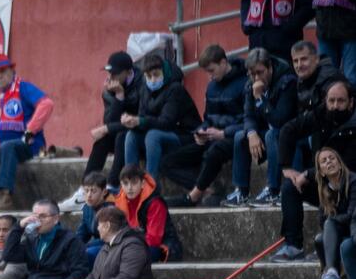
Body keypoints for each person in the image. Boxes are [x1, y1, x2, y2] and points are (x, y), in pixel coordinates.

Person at [273, 79, 356, 262]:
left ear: (351, 102)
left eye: (341, 101)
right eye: (331, 101)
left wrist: (308, 174)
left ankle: (329, 247)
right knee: (290, 187)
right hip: (323, 181)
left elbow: (346, 165)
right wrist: (286, 167)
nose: (335, 106)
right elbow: (288, 129)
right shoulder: (320, 114)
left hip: (349, 188)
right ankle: (293, 245)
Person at [0, 54, 52, 211]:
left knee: (8, 146)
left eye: (2, 71)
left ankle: (5, 197)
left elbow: (46, 104)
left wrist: (31, 129)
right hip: (0, 151)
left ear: (11, 70)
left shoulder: (23, 88)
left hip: (28, 145)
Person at [179, 45, 250, 208]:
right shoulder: (211, 87)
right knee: (171, 159)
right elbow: (207, 118)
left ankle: (195, 194)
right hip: (212, 136)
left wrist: (223, 133)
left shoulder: (245, 82)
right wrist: (201, 131)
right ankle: (207, 189)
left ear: (223, 63)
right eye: (207, 72)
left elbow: (249, 119)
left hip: (234, 136)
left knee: (215, 151)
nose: (210, 76)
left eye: (211, 70)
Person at [122, 52, 202, 191]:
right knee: (131, 135)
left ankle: (150, 188)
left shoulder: (175, 89)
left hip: (186, 136)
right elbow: (143, 118)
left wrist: (140, 121)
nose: (152, 80)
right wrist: (132, 123)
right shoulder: (144, 89)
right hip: (160, 137)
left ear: (164, 72)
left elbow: (167, 122)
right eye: (148, 76)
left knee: (153, 135)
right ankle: (130, 184)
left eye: (156, 75)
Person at [74, 51, 143, 203]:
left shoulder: (142, 85)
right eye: (109, 73)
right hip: (121, 133)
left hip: (139, 137)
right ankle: (86, 188)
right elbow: (110, 121)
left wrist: (107, 128)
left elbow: (137, 122)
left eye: (115, 74)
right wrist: (118, 97)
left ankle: (112, 186)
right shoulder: (110, 91)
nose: (111, 77)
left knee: (121, 136)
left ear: (128, 72)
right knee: (103, 140)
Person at [236, 48, 299, 209]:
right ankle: (241, 192)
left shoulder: (287, 81)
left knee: (272, 134)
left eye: (260, 72)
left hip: (287, 134)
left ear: (270, 67)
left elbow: (279, 120)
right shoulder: (250, 84)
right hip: (266, 134)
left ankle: (273, 190)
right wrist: (252, 133)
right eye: (252, 74)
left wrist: (260, 99)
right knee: (240, 137)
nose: (256, 78)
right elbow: (248, 115)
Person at [279, 41, 340, 174]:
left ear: (316, 59)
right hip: (312, 127)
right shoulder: (302, 79)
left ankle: (314, 178)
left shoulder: (329, 77)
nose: (299, 65)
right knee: (277, 134)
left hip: (332, 132)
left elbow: (327, 115)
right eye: (295, 61)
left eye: (304, 59)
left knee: (312, 132)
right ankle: (292, 179)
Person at [313, 147, 356, 279]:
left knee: (331, 226)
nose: (329, 162)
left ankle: (332, 275)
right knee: (319, 240)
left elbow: (351, 214)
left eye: (332, 158)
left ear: (339, 163)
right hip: (340, 230)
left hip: (353, 228)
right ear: (321, 172)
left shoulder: (353, 181)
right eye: (324, 161)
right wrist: (332, 221)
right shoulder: (325, 189)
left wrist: (333, 220)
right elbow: (321, 220)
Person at [112, 164, 181, 263]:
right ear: (121, 185)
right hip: (131, 244)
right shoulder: (121, 202)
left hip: (159, 247)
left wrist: (126, 245)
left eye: (134, 183)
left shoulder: (155, 203)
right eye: (125, 183)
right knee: (95, 251)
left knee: (127, 257)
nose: (129, 188)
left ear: (143, 183)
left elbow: (153, 239)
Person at [74, 171, 112, 259]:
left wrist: (85, 246)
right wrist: (74, 245)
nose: (89, 195)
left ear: (104, 192)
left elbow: (107, 238)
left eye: (93, 191)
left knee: (86, 253)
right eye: (86, 191)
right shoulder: (86, 208)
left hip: (109, 247)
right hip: (93, 245)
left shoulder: (110, 210)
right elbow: (82, 233)